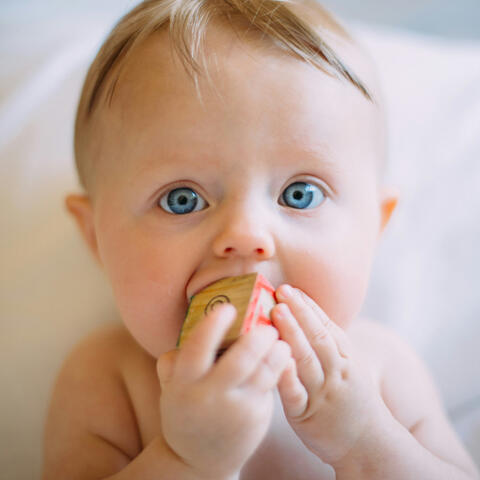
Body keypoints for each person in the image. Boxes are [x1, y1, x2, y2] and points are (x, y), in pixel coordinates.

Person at [42, 0, 479, 478]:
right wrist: (186, 459)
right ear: (95, 237)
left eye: (300, 193)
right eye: (182, 199)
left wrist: (367, 441)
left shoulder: (381, 370)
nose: (246, 236)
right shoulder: (108, 378)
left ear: (375, 228)